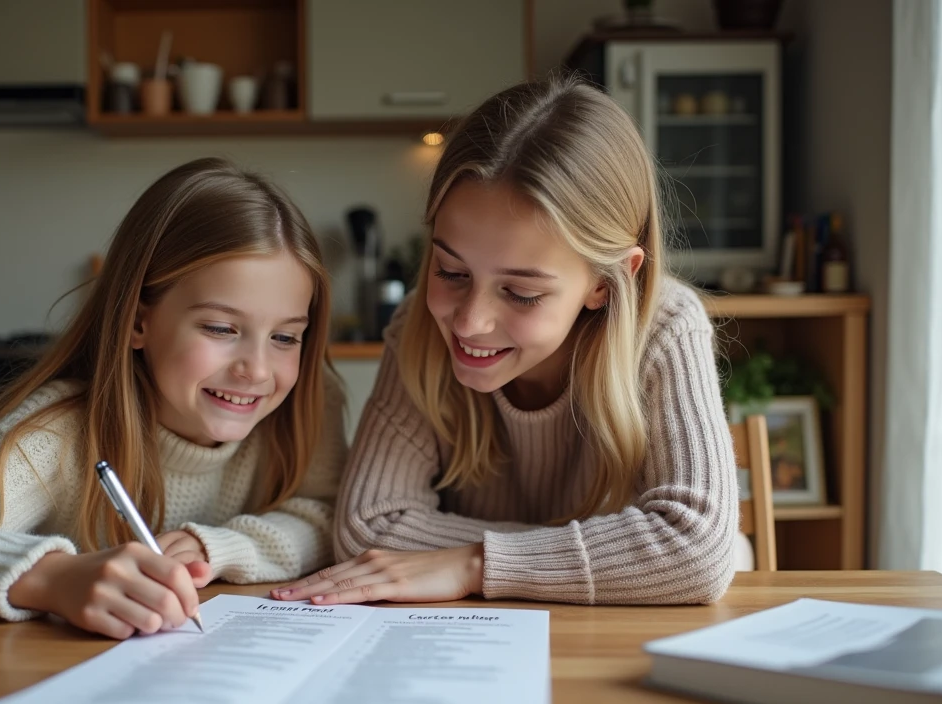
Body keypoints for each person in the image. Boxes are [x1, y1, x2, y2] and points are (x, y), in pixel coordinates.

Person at [0, 157, 347, 639]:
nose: (256, 369)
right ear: (140, 321)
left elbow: (326, 517)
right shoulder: (62, 430)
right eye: (220, 328)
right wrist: (50, 578)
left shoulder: (307, 403)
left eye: (284, 337)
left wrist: (220, 547)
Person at [273, 77, 745, 608]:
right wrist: (616, 552)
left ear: (606, 283)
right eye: (450, 271)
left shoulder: (665, 329)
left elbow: (695, 549)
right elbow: (367, 529)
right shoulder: (418, 329)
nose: (470, 322)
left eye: (521, 294)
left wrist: (475, 563)